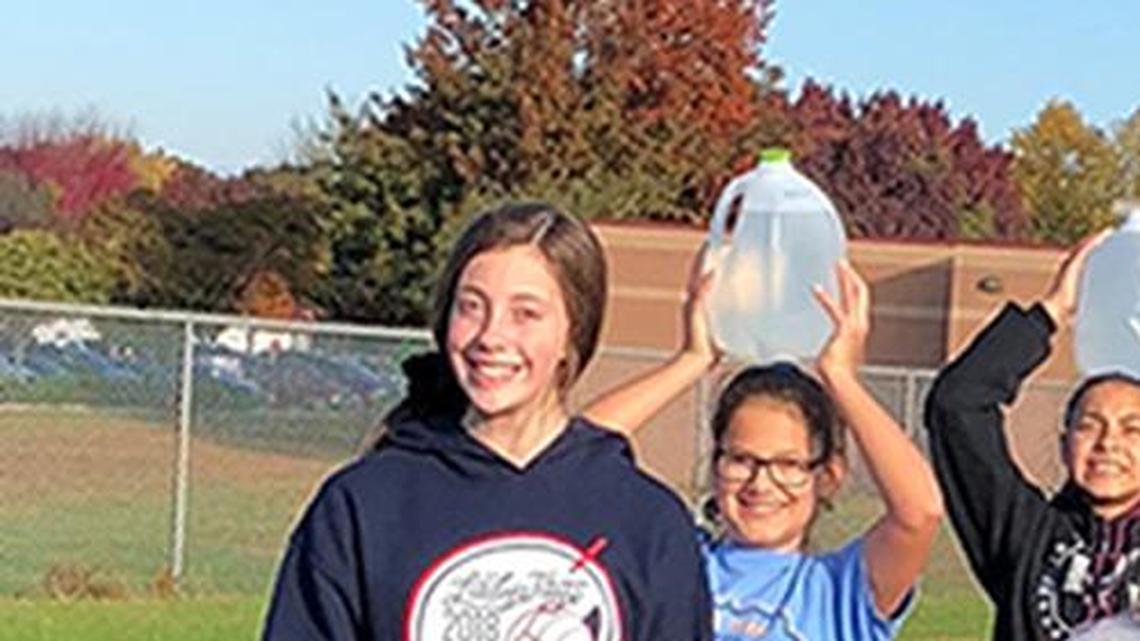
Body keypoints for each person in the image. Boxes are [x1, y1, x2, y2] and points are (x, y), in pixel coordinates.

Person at [261, 202, 712, 640]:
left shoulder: (647, 522)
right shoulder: (362, 505)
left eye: (526, 314)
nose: (492, 336)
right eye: (471, 306)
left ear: (572, 334)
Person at [585, 257, 943, 640]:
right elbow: (579, 453)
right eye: (741, 460)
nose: (760, 483)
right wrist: (690, 361)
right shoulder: (678, 557)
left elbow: (920, 512)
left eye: (788, 465)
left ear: (828, 477)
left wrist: (841, 377)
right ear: (715, 462)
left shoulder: (838, 591)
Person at [924, 230, 1140, 640]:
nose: (1108, 443)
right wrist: (1052, 311)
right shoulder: (1025, 535)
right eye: (1090, 425)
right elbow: (957, 406)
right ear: (1065, 443)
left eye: (1133, 430)